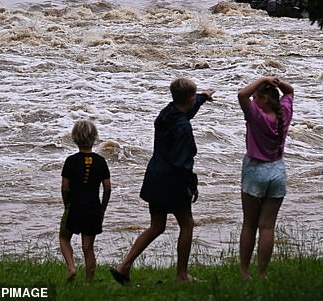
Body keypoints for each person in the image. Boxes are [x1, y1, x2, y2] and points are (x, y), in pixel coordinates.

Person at [110, 78, 214, 284]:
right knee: (187, 224)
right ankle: (182, 275)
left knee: (156, 226)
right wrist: (192, 184)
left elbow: (186, 111)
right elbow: (181, 162)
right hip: (172, 183)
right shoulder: (183, 127)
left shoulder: (166, 114)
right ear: (189, 98)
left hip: (155, 177)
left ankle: (124, 266)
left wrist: (203, 97)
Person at [238, 76, 294, 280]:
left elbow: (241, 94)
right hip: (277, 171)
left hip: (255, 171)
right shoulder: (284, 113)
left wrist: (263, 78)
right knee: (267, 226)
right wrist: (277, 83)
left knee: (249, 225)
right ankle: (262, 273)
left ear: (262, 99)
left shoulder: (256, 115)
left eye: (255, 97)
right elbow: (290, 91)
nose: (252, 100)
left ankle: (244, 272)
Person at [59, 119, 111, 282]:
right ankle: (89, 281)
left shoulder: (71, 161)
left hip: (74, 207)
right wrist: (102, 209)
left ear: (74, 138)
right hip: (93, 208)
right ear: (95, 137)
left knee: (64, 237)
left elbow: (65, 188)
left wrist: (66, 205)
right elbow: (107, 187)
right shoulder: (100, 161)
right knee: (88, 247)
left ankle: (72, 268)